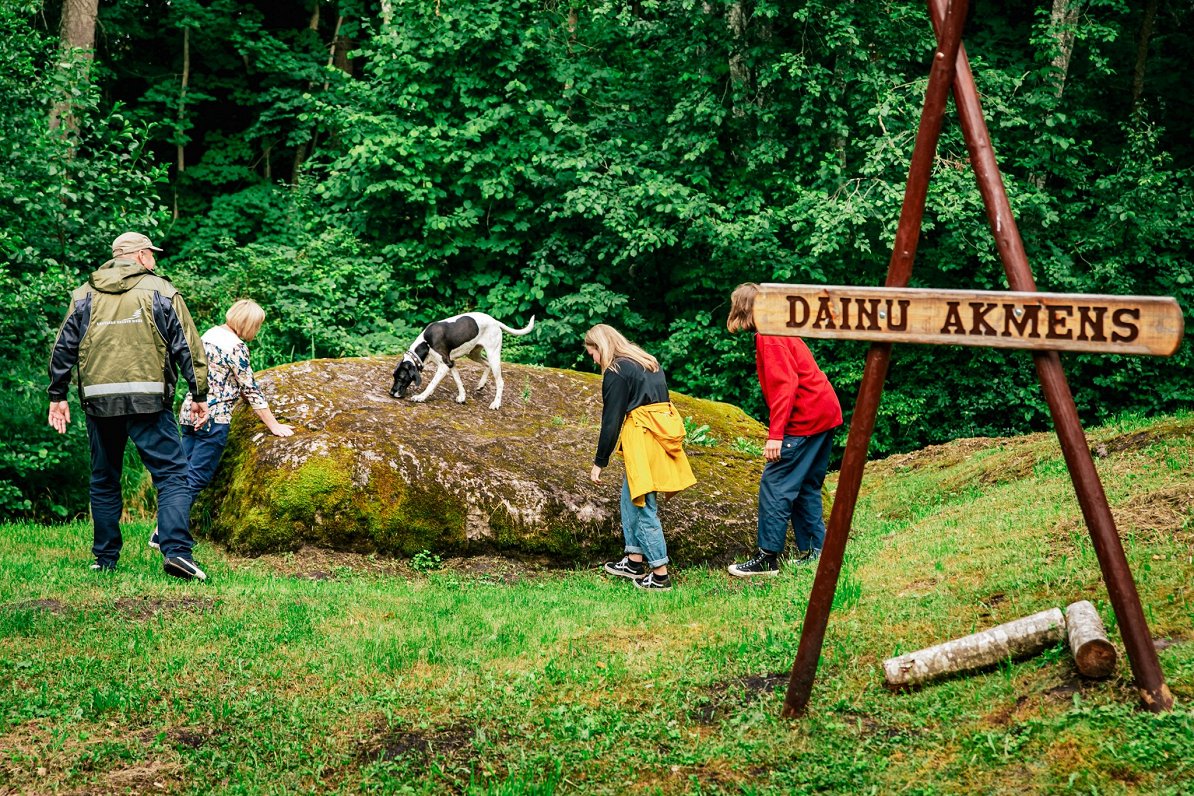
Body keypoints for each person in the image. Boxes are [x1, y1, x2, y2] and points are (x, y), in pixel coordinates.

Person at [48, 231, 211, 581]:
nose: (154, 260)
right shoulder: (161, 290)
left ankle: (104, 559)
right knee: (172, 475)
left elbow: (63, 346)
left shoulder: (83, 294)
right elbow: (188, 344)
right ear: (138, 256)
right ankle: (177, 552)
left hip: (98, 401)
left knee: (104, 478)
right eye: (151, 254)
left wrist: (57, 396)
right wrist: (199, 394)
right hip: (148, 400)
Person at [725, 282, 842, 577]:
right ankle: (817, 552)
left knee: (775, 484)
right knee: (805, 486)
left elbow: (784, 387)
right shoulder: (779, 328)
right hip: (824, 414)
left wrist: (776, 435)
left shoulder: (769, 335)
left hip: (806, 419)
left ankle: (767, 558)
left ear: (744, 307)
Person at [585, 324, 695, 591]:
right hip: (661, 434)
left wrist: (600, 461)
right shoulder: (647, 361)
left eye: (592, 353)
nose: (593, 360)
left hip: (643, 437)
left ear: (601, 347)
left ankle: (659, 574)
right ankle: (634, 560)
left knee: (643, 503)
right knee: (629, 495)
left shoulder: (616, 371)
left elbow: (611, 421)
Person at [170, 299, 293, 532]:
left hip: (189, 411)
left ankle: (162, 529)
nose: (257, 331)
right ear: (248, 324)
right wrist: (273, 425)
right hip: (213, 417)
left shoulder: (208, 335)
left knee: (181, 476)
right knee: (196, 478)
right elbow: (250, 388)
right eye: (257, 326)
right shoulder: (235, 347)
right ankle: (165, 532)